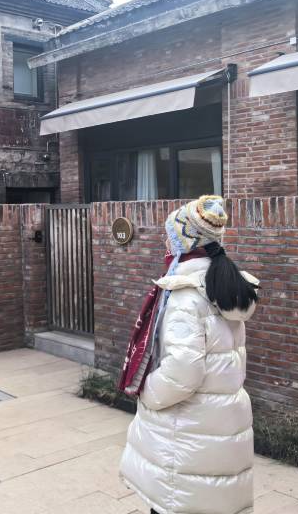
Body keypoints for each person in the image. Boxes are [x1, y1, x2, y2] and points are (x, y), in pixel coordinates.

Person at [119, 195, 259, 514]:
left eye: (169, 236)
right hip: (219, 422)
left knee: (177, 503)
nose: (165, 243)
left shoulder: (185, 295)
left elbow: (182, 372)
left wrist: (146, 391)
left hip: (185, 430)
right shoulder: (223, 287)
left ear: (185, 241)